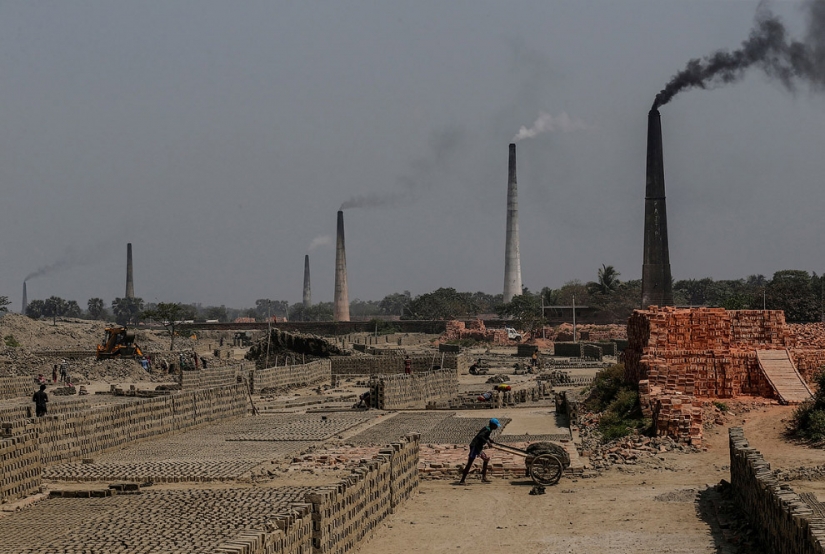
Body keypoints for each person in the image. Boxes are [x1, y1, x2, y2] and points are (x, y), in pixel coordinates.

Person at [458, 418, 500, 485]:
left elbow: (485, 436)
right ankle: (462, 480)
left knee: (486, 459)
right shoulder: (487, 429)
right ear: (492, 425)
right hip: (475, 446)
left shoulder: (488, 429)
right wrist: (488, 442)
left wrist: (489, 440)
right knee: (470, 463)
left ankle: (484, 478)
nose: (497, 427)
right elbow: (480, 436)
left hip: (479, 447)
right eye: (496, 425)